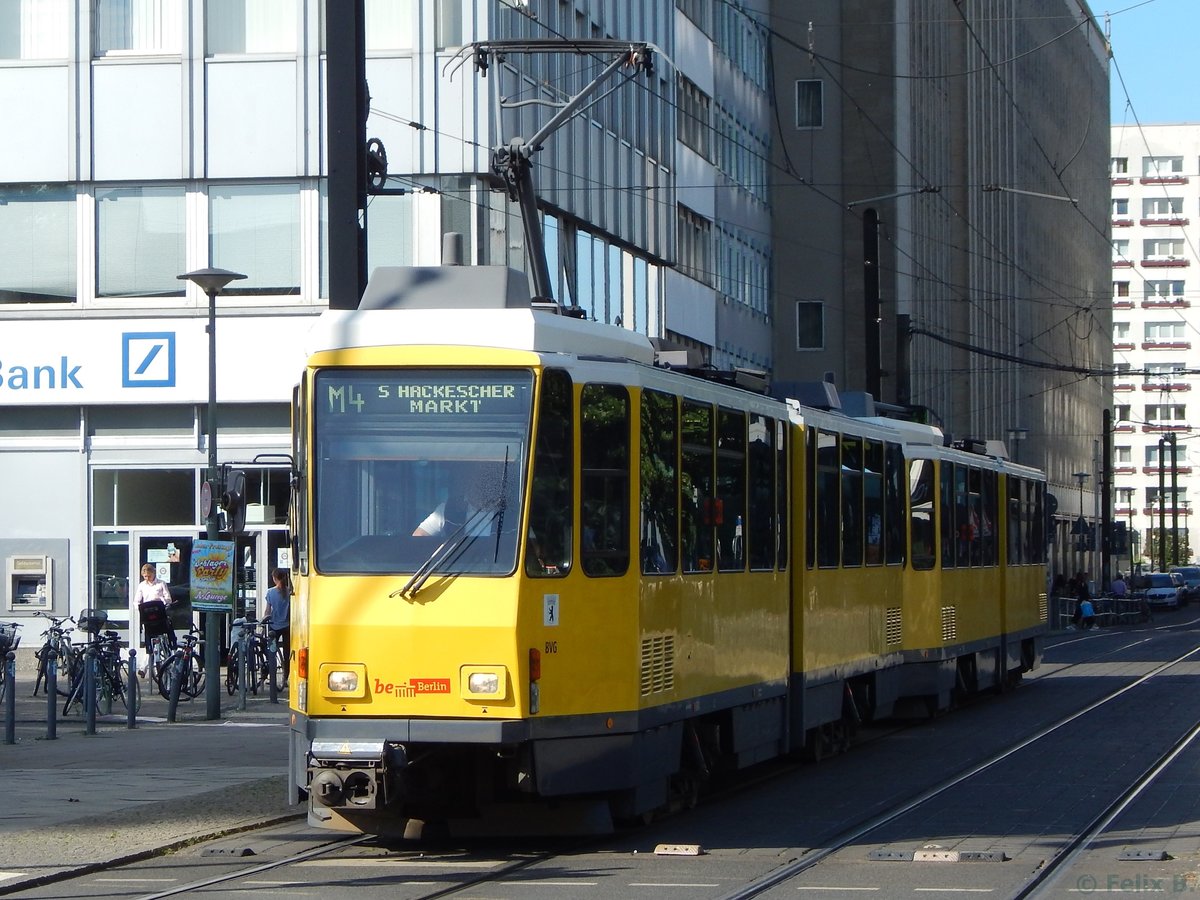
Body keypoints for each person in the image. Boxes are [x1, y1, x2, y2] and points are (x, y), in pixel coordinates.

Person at [135, 563, 173, 677]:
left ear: (153, 573)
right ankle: (143, 668)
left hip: (159, 615)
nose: (147, 578)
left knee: (162, 641)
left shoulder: (161, 583)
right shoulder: (142, 585)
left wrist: (162, 602)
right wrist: (140, 609)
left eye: (148, 576)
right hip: (147, 617)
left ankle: (160, 667)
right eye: (145, 576)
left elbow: (168, 598)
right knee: (149, 644)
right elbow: (136, 601)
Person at [263, 568, 291, 671]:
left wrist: (263, 620)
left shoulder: (270, 592)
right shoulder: (289, 592)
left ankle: (272, 675)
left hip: (273, 626)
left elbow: (267, 611)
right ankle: (286, 675)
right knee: (287, 652)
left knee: (272, 651)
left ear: (274, 578)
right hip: (287, 625)